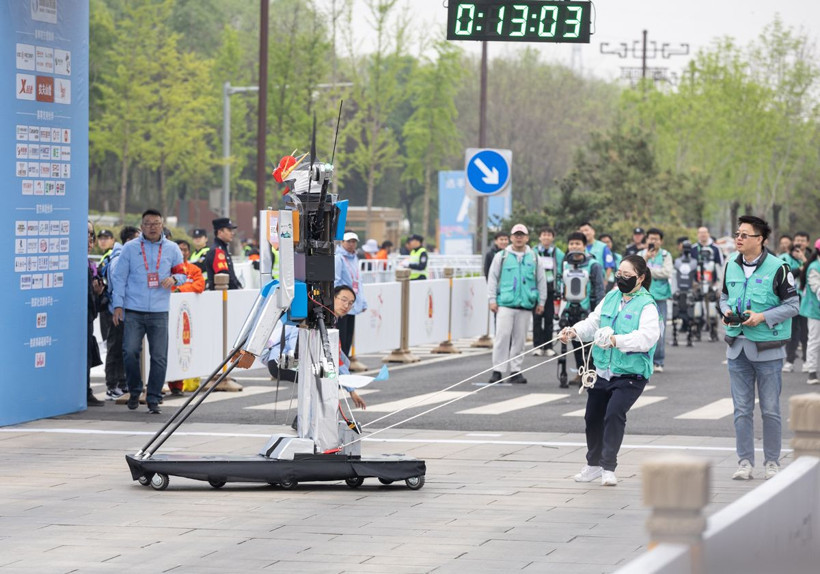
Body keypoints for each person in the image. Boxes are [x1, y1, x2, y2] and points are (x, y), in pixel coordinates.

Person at [560, 254, 661, 487]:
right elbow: (593, 323)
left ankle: (608, 466)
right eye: (619, 274)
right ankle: (593, 465)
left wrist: (617, 340)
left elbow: (647, 338)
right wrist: (574, 331)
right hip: (602, 369)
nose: (622, 279)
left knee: (614, 413)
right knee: (592, 416)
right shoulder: (611, 297)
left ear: (641, 278)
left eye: (628, 276)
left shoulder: (647, 305)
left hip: (630, 373)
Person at [720, 215, 798, 480]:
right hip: (737, 348)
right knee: (741, 409)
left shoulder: (779, 267)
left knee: (770, 409)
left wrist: (762, 317)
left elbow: (793, 305)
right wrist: (726, 310)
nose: (738, 238)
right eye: (737, 234)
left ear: (761, 240)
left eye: (745, 235)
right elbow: (722, 297)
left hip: (768, 349)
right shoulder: (730, 264)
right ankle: (744, 462)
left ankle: (772, 462)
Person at [110, 209, 186, 414]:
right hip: (134, 309)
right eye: (148, 223)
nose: (152, 227)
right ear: (141, 226)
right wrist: (118, 305)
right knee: (129, 351)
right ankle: (135, 390)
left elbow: (182, 274)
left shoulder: (172, 249)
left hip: (160, 310)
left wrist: (174, 280)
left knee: (159, 356)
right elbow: (119, 278)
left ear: (162, 225)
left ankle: (153, 397)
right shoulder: (130, 248)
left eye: (156, 223)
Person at [260, 285, 367, 409]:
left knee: (327, 376)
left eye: (350, 303)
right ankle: (312, 418)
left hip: (293, 361)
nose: (346, 306)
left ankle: (314, 417)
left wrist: (351, 389)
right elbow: (289, 340)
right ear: (332, 298)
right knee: (323, 377)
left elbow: (341, 360)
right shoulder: (316, 317)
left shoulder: (330, 321)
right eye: (343, 300)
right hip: (281, 360)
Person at [486, 224, 546, 385]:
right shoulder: (502, 256)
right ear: (511, 237)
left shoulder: (534, 257)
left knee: (520, 339)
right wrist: (492, 299)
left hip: (525, 304)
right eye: (516, 235)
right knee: (502, 336)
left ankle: (516, 370)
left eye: (522, 235)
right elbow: (492, 278)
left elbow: (541, 280)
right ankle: (497, 370)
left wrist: (541, 301)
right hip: (505, 303)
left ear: (527, 238)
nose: (519, 238)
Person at [561, 232, 605, 385]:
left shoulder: (594, 265)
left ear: (584, 246)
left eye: (578, 243)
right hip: (571, 307)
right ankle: (581, 371)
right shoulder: (566, 264)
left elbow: (600, 289)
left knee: (590, 345)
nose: (574, 246)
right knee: (575, 342)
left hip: (589, 309)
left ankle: (591, 372)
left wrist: (599, 310)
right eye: (571, 243)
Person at [97, 229, 127, 399]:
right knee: (113, 346)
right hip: (112, 309)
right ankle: (113, 385)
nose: (102, 241)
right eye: (100, 238)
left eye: (106, 238)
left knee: (118, 347)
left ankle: (120, 383)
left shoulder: (113, 255)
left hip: (114, 308)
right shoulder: (113, 257)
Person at [639, 228, 673, 372]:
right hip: (642, 297)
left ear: (661, 241)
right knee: (640, 329)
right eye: (651, 238)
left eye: (656, 239)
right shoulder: (641, 254)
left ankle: (658, 361)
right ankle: (643, 361)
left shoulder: (665, 255)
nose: (653, 241)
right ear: (646, 240)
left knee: (660, 329)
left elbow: (667, 272)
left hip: (660, 297)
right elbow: (636, 270)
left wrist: (648, 272)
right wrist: (645, 259)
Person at [334, 232, 368, 357]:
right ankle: (339, 364)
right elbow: (335, 280)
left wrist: (362, 301)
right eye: (348, 241)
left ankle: (344, 363)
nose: (351, 244)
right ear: (342, 242)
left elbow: (358, 282)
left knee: (348, 337)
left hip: (351, 303)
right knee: (341, 335)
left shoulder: (355, 258)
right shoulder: (338, 258)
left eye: (354, 241)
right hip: (342, 303)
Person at [533, 227, 563, 357]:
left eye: (549, 235)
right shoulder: (533, 252)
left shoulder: (558, 253)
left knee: (549, 319)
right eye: (543, 234)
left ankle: (549, 346)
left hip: (552, 290)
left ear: (552, 237)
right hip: (536, 291)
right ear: (540, 237)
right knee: (537, 319)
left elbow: (562, 270)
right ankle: (537, 346)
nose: (546, 237)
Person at [783, 231, 811, 372]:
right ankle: (789, 360)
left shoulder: (812, 257)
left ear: (808, 243)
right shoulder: (786, 257)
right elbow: (785, 274)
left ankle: (807, 360)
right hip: (791, 298)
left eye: (803, 240)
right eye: (797, 240)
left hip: (807, 300)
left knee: (806, 332)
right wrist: (799, 268)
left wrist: (803, 260)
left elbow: (813, 272)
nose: (799, 242)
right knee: (792, 330)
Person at [86, 222, 105, 407]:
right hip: (70, 318)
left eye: (91, 234)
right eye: (85, 233)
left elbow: (98, 296)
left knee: (87, 353)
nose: (89, 238)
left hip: (87, 317)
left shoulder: (91, 266)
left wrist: (97, 293)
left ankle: (86, 390)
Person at [800, 239, 820, 386]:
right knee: (814, 340)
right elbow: (817, 289)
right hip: (815, 310)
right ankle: (812, 372)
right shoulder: (814, 267)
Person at [204, 218, 242, 290]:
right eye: (229, 230)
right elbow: (224, 277)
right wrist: (237, 289)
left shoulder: (223, 249)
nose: (232, 233)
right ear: (220, 232)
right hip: (223, 296)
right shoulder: (217, 251)